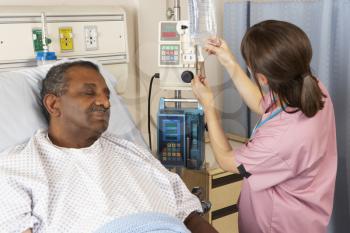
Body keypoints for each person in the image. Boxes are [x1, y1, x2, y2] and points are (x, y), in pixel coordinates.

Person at [0, 61, 218, 233]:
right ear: (53, 104)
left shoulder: (133, 153)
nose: (105, 102)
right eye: (89, 92)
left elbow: (189, 215)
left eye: (107, 94)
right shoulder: (17, 168)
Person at [191, 20, 337, 233]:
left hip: (280, 225)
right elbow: (263, 104)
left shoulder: (279, 141)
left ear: (262, 78)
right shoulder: (312, 87)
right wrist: (229, 61)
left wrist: (209, 108)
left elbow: (225, 160)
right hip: (307, 216)